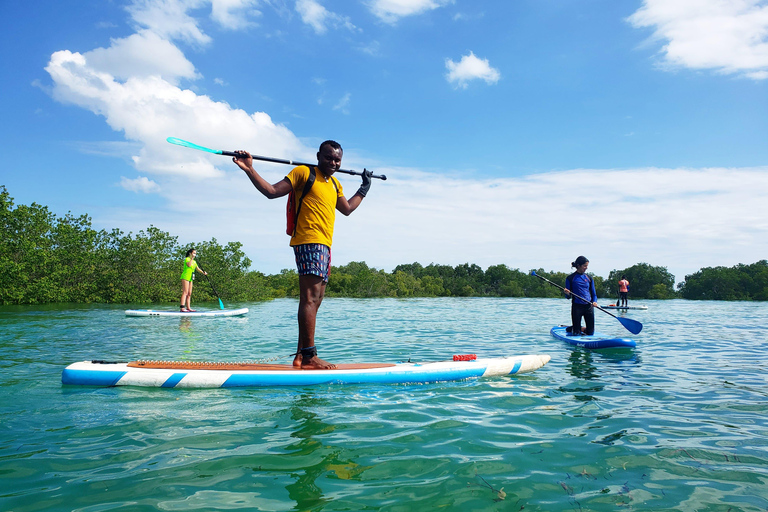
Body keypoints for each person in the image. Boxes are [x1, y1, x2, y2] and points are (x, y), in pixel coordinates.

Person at [232, 140, 373, 370]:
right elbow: (271, 192)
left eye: (337, 160)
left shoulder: (335, 183)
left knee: (317, 300)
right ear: (318, 156)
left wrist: (364, 188)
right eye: (329, 158)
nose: (334, 163)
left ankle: (300, 356)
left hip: (325, 245)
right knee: (309, 298)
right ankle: (309, 357)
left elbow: (347, 209)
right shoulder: (303, 173)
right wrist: (249, 169)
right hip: (308, 241)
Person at [563, 256, 598, 336]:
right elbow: (568, 297)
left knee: (590, 332)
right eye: (585, 266)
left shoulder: (589, 278)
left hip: (588, 306)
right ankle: (572, 328)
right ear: (578, 266)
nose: (586, 268)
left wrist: (594, 301)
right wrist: (567, 293)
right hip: (577, 307)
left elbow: (593, 294)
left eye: (587, 266)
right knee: (576, 333)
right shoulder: (570, 278)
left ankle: (580, 328)